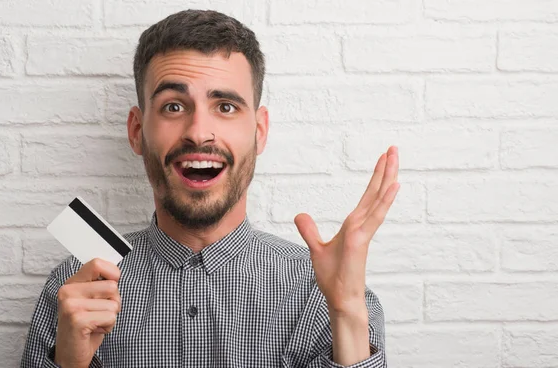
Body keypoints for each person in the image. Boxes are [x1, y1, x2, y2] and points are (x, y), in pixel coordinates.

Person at [21, 9, 399, 368]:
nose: (199, 133)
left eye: (226, 106)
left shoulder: (327, 294)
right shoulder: (77, 285)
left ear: (259, 130)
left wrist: (347, 309)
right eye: (173, 107)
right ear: (137, 131)